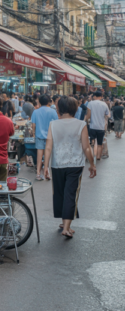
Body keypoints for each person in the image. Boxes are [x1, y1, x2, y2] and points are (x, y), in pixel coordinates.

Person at [45, 96, 96, 239]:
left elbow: (48, 147)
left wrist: (45, 166)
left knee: (60, 193)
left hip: (57, 164)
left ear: (59, 109)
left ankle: (64, 223)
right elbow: (86, 148)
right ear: (75, 109)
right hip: (75, 164)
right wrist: (92, 164)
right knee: (71, 194)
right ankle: (66, 228)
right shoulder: (81, 124)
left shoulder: (53, 124)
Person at [31, 95, 59, 180]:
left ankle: (38, 174)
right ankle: (47, 173)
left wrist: (33, 134)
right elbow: (56, 124)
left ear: (39, 102)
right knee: (48, 156)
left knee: (39, 156)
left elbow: (33, 125)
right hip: (50, 137)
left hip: (39, 136)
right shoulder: (53, 112)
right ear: (48, 102)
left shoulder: (36, 112)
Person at [85, 90, 109, 161]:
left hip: (92, 126)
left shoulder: (90, 103)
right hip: (101, 127)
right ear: (101, 96)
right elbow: (107, 114)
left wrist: (86, 119)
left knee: (92, 142)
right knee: (100, 143)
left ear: (94, 96)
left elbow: (88, 115)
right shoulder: (104, 104)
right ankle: (98, 156)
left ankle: (92, 155)